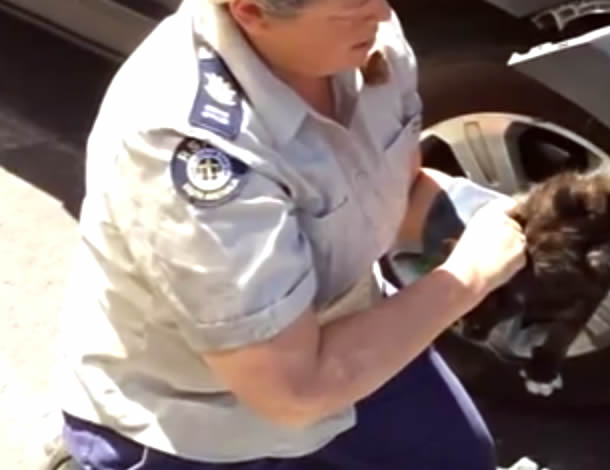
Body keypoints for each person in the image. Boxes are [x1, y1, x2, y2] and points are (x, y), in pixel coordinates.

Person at [52, 0, 528, 469]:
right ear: (251, 12)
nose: (384, 14)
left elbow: (396, 184)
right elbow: (293, 391)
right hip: (205, 420)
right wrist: (467, 278)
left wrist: (511, 225)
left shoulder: (360, 37)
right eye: (352, 6)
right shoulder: (193, 145)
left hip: (350, 332)